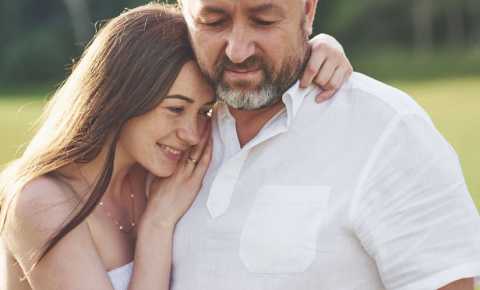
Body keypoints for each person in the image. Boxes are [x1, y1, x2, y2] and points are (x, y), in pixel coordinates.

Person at [0, 3, 353, 290]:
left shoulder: (160, 174)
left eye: (203, 112)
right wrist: (158, 224)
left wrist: (318, 48)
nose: (191, 133)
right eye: (175, 109)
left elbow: (259, 77)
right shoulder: (41, 203)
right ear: (120, 98)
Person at [168, 0, 480, 289]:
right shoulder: (161, 133)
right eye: (213, 22)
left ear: (308, 10)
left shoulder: (387, 129)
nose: (237, 50)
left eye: (263, 21)